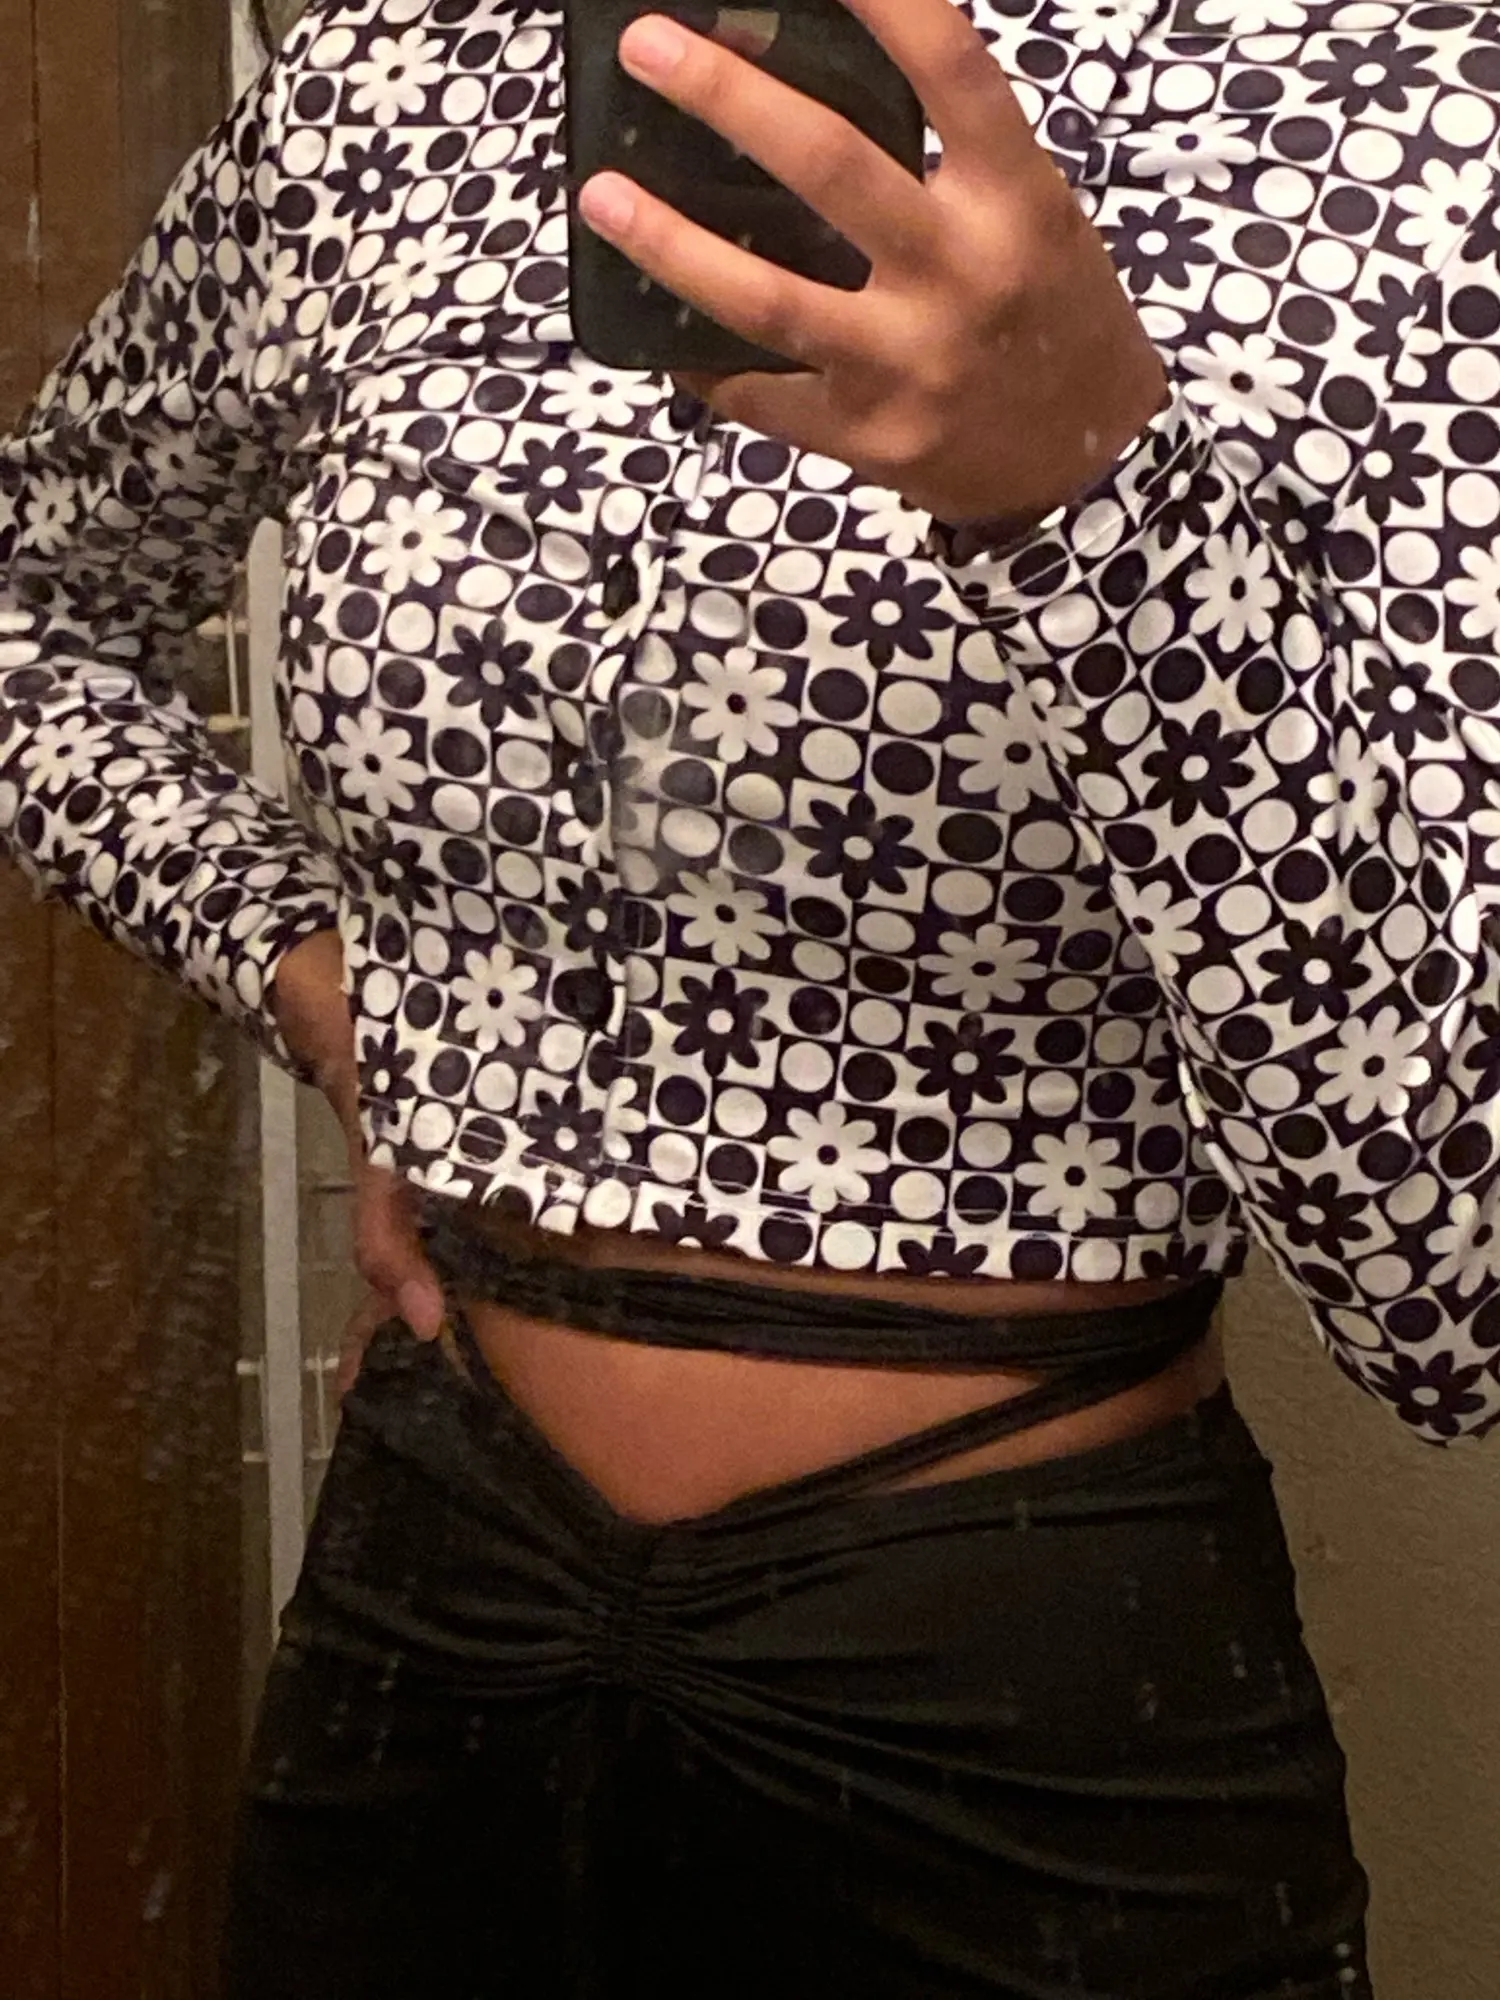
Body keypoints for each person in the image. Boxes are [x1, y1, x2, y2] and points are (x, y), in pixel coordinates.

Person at [6, 0, 1499, 1989]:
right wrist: (318, 981)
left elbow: (1444, 1283)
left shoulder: (1386, 112)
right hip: (432, 1605)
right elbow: (33, 617)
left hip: (1026, 1678)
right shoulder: (388, 81)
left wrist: (1091, 497)